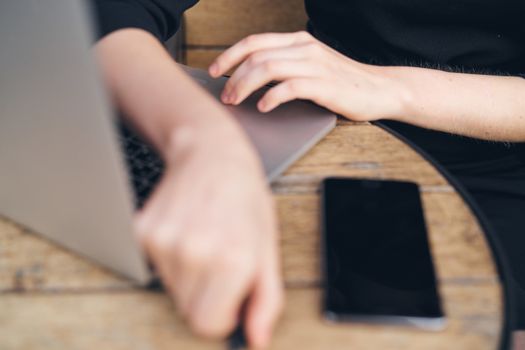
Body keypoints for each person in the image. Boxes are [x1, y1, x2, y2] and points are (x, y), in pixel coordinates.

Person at [93, 0, 525, 347]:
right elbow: (107, 14)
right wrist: (204, 141)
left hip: (500, 176)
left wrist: (388, 87)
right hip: (313, 129)